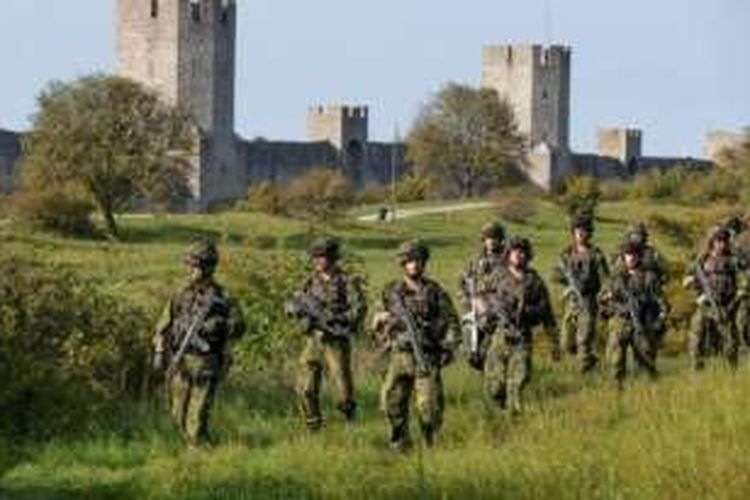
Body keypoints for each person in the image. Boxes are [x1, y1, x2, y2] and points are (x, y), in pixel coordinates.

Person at [152, 239, 246, 446]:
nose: (191, 270)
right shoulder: (180, 294)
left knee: (197, 415)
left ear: (207, 267)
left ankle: (198, 452)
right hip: (181, 362)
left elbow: (239, 327)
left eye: (195, 266)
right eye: (190, 265)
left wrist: (221, 326)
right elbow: (162, 326)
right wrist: (159, 352)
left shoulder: (224, 297)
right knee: (178, 416)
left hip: (207, 361)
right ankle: (199, 445)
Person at [372, 240, 460, 451]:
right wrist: (382, 320)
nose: (415, 265)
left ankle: (431, 443)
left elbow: (452, 322)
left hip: (426, 355)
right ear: (403, 264)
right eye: (410, 261)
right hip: (398, 356)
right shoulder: (391, 290)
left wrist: (448, 346)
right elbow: (374, 322)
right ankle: (400, 444)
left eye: (418, 261)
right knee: (392, 403)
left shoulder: (434, 291)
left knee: (429, 407)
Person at [286, 237, 367, 431]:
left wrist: (342, 319)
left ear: (332, 258)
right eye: (316, 257)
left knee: (343, 389)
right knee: (305, 388)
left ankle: (349, 421)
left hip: (336, 340)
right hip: (313, 339)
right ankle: (313, 426)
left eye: (322, 257)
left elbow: (360, 306)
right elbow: (292, 302)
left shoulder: (346, 281)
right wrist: (294, 310)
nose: (318, 261)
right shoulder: (308, 281)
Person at [484, 237, 561, 414]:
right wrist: (486, 313)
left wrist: (554, 343)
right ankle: (502, 405)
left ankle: (514, 418)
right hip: (500, 336)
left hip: (522, 337)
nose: (519, 255)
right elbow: (480, 295)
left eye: (522, 251)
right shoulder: (498, 276)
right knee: (495, 387)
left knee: (518, 380)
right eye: (515, 251)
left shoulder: (534, 281)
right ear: (508, 254)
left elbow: (547, 315)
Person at [600, 241, 667, 388]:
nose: (631, 258)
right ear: (623, 257)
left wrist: (659, 320)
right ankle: (615, 392)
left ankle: (650, 393)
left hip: (643, 323)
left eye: (634, 255)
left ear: (639, 256)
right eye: (628, 255)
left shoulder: (649, 277)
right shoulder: (615, 277)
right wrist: (615, 306)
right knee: (615, 361)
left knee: (646, 362)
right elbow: (602, 300)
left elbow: (662, 302)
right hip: (620, 323)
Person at [553, 215, 609, 373]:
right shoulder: (566, 253)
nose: (581, 234)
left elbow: (606, 278)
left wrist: (604, 295)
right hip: (571, 303)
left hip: (589, 301)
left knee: (583, 341)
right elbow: (555, 274)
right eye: (578, 231)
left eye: (584, 231)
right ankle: (591, 360)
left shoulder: (595, 254)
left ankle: (584, 373)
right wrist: (568, 284)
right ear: (573, 233)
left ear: (589, 233)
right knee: (565, 343)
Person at [685, 227, 743, 370]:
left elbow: (743, 281)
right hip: (705, 306)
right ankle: (696, 369)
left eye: (724, 241)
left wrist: (735, 299)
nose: (722, 244)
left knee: (730, 342)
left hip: (726, 306)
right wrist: (695, 290)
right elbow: (687, 279)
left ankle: (732, 370)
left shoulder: (732, 260)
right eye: (719, 241)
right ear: (713, 242)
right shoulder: (702, 259)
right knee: (695, 338)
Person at [458, 221, 507, 369]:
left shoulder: (508, 260)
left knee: (496, 353)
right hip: (476, 313)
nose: (491, 241)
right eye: (487, 238)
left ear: (500, 239)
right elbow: (461, 285)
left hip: (499, 313)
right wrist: (468, 302)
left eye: (494, 237)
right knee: (472, 354)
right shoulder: (474, 262)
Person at [612, 222, 668, 290]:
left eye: (639, 236)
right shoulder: (622, 251)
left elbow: (664, 273)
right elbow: (615, 270)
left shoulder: (651, 253)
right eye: (634, 236)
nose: (637, 239)